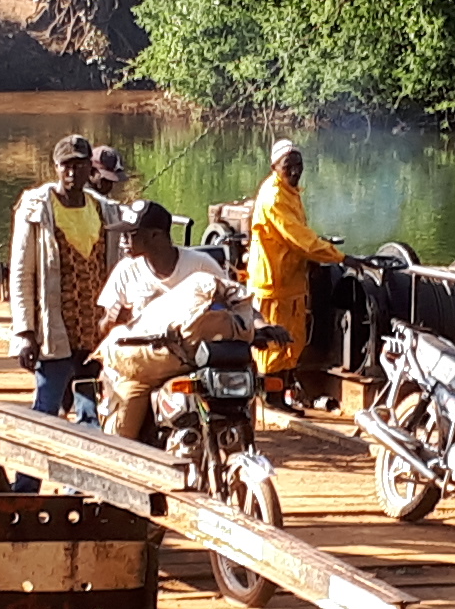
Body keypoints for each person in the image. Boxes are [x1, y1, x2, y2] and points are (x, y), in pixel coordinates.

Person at [4, 134, 106, 420]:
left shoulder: (101, 209)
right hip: (55, 329)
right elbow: (21, 273)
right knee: (46, 409)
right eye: (66, 166)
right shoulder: (37, 209)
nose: (73, 173)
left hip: (93, 330)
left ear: (90, 168)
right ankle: (30, 466)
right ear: (56, 168)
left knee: (91, 412)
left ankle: (88, 463)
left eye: (80, 165)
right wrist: (24, 332)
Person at [95, 199, 221, 423]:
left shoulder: (201, 265)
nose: (123, 240)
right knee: (122, 431)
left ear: (155, 236)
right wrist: (112, 320)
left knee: (236, 394)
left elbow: (235, 299)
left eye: (130, 234)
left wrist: (261, 327)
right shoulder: (126, 271)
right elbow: (102, 328)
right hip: (142, 367)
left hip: (193, 363)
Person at [243, 138, 339, 408]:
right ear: (274, 167)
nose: (295, 171)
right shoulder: (274, 197)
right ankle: (271, 397)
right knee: (273, 343)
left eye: (299, 165)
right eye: (289, 166)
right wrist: (339, 256)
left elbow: (300, 236)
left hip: (291, 283)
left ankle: (284, 391)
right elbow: (300, 239)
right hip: (273, 283)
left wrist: (314, 259)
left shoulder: (290, 192)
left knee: (291, 342)